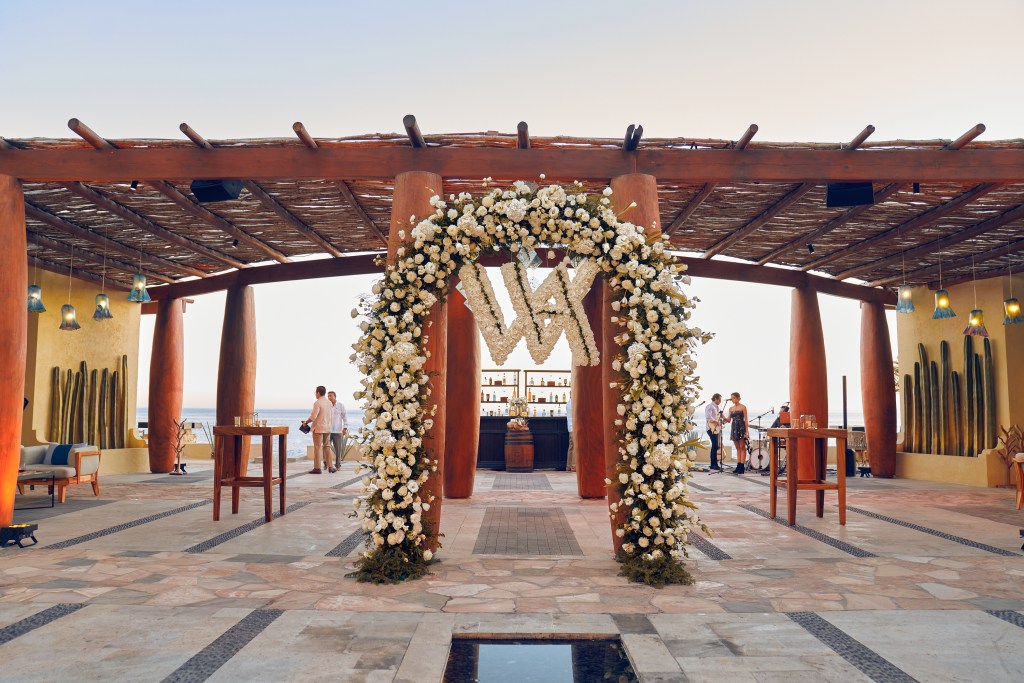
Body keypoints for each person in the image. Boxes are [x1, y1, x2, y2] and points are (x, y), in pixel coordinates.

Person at [301, 385, 332, 474]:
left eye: (315, 392)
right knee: (327, 447)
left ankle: (317, 468)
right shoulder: (329, 403)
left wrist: (306, 422)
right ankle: (330, 467)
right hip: (327, 428)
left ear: (318, 393)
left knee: (317, 448)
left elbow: (313, 417)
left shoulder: (317, 403)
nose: (315, 394)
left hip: (318, 428)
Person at [725, 391, 749, 474]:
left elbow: (746, 420)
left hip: (741, 427)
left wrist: (747, 432)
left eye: (734, 398)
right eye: (732, 398)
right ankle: (738, 465)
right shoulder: (731, 408)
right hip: (734, 427)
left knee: (742, 447)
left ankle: (742, 466)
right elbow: (728, 420)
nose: (732, 399)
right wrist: (723, 417)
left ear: (738, 398)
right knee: (737, 447)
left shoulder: (743, 407)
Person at [327, 390, 348, 473]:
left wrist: (345, 427)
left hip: (337, 431)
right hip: (327, 431)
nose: (329, 397)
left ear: (335, 396)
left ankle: (338, 465)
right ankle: (326, 463)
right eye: (328, 396)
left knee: (338, 449)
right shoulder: (327, 406)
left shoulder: (340, 405)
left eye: (330, 396)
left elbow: (345, 417)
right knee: (326, 448)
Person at [704, 393, 724, 471]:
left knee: (715, 446)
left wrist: (722, 421)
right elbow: (708, 417)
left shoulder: (717, 408)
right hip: (710, 428)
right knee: (715, 446)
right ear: (715, 399)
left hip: (716, 429)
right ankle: (714, 464)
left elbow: (718, 417)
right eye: (719, 400)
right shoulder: (710, 406)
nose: (720, 401)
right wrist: (717, 421)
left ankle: (713, 464)